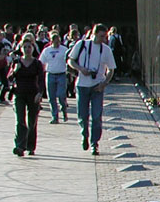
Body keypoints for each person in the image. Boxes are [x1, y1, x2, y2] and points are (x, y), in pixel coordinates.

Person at [68, 24, 116, 156]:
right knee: (83, 116)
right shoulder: (81, 44)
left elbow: (111, 69)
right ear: (94, 34)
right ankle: (84, 134)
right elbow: (70, 61)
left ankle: (95, 143)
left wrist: (104, 83)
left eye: (105, 36)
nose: (103, 39)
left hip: (97, 87)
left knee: (96, 116)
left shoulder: (106, 50)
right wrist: (81, 69)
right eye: (101, 36)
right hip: (82, 85)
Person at [7, 35, 44, 156]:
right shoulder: (17, 62)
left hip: (33, 94)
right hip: (19, 93)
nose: (27, 49)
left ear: (33, 48)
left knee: (32, 121)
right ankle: (19, 146)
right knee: (20, 121)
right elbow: (9, 78)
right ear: (21, 48)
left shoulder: (37, 63)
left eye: (29, 47)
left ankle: (30, 146)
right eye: (25, 47)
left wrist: (40, 93)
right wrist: (15, 70)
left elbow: (41, 80)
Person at [40, 31, 70, 123]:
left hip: (61, 74)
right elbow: (41, 62)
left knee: (61, 95)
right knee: (51, 97)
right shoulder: (47, 50)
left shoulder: (64, 49)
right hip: (50, 74)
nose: (57, 42)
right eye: (55, 41)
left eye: (58, 40)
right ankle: (54, 116)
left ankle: (64, 109)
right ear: (51, 41)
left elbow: (69, 60)